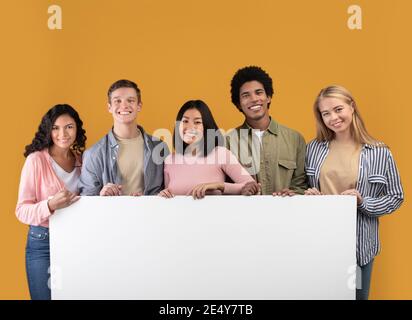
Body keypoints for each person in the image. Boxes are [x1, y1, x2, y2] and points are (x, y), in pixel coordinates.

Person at [304, 85, 404, 300]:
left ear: (352, 107)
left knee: (356, 298)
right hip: (320, 242)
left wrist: (363, 202)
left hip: (359, 245)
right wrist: (309, 196)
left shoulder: (379, 152)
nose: (333, 117)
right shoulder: (313, 149)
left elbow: (396, 197)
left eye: (338, 109)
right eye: (326, 113)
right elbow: (303, 187)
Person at [16, 104, 87, 300]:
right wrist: (49, 205)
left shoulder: (83, 161)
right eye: (55, 128)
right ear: (48, 130)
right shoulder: (36, 160)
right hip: (43, 243)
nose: (62, 133)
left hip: (77, 240)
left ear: (77, 129)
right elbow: (21, 210)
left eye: (69, 127)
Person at [226, 66, 307, 196]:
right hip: (244, 214)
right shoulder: (227, 142)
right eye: (246, 95)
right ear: (238, 104)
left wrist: (293, 193)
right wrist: (240, 190)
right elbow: (222, 186)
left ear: (268, 97)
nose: (254, 99)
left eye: (259, 92)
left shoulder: (295, 139)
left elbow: (301, 185)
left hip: (287, 214)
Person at [79, 79, 169, 196]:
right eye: (118, 101)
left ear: (139, 106)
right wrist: (101, 196)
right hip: (113, 214)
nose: (124, 105)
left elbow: (171, 189)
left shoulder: (160, 147)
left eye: (130, 100)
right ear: (109, 107)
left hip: (151, 214)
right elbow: (86, 202)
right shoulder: (94, 154)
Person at [159, 100, 255, 199]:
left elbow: (251, 186)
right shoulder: (169, 160)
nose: (190, 127)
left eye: (197, 122)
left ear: (206, 126)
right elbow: (169, 199)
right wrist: (164, 194)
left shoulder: (220, 154)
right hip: (180, 214)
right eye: (185, 121)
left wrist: (219, 185)